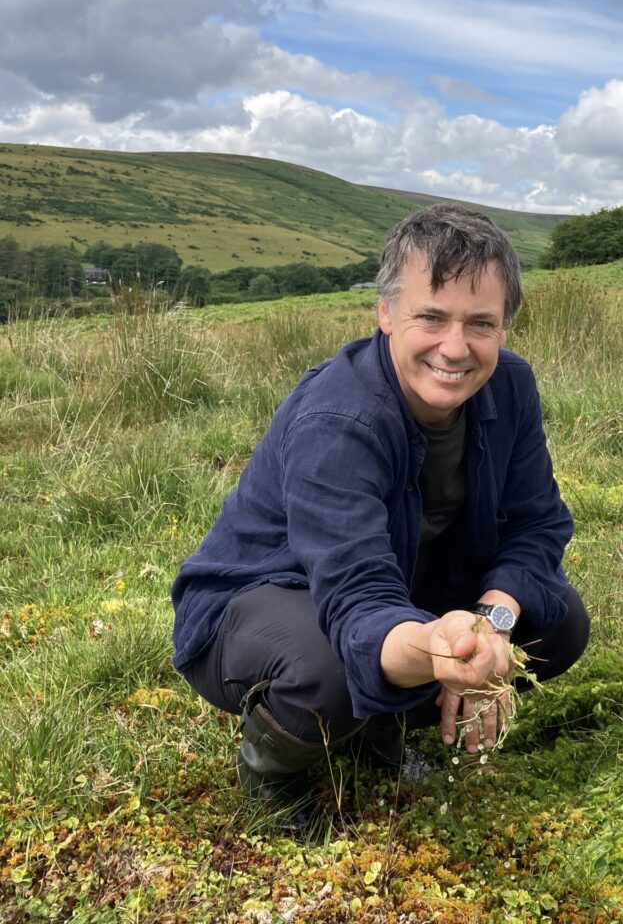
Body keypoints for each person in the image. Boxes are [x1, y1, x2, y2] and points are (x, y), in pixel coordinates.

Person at [171, 203, 589, 812]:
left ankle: (377, 732)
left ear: (505, 327)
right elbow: (357, 594)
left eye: (481, 323)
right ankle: (276, 786)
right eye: (431, 317)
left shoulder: (510, 385)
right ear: (386, 313)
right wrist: (445, 653)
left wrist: (484, 631)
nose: (456, 347)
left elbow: (537, 523)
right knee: (329, 670)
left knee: (557, 624)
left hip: (400, 582)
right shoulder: (338, 419)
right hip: (261, 601)